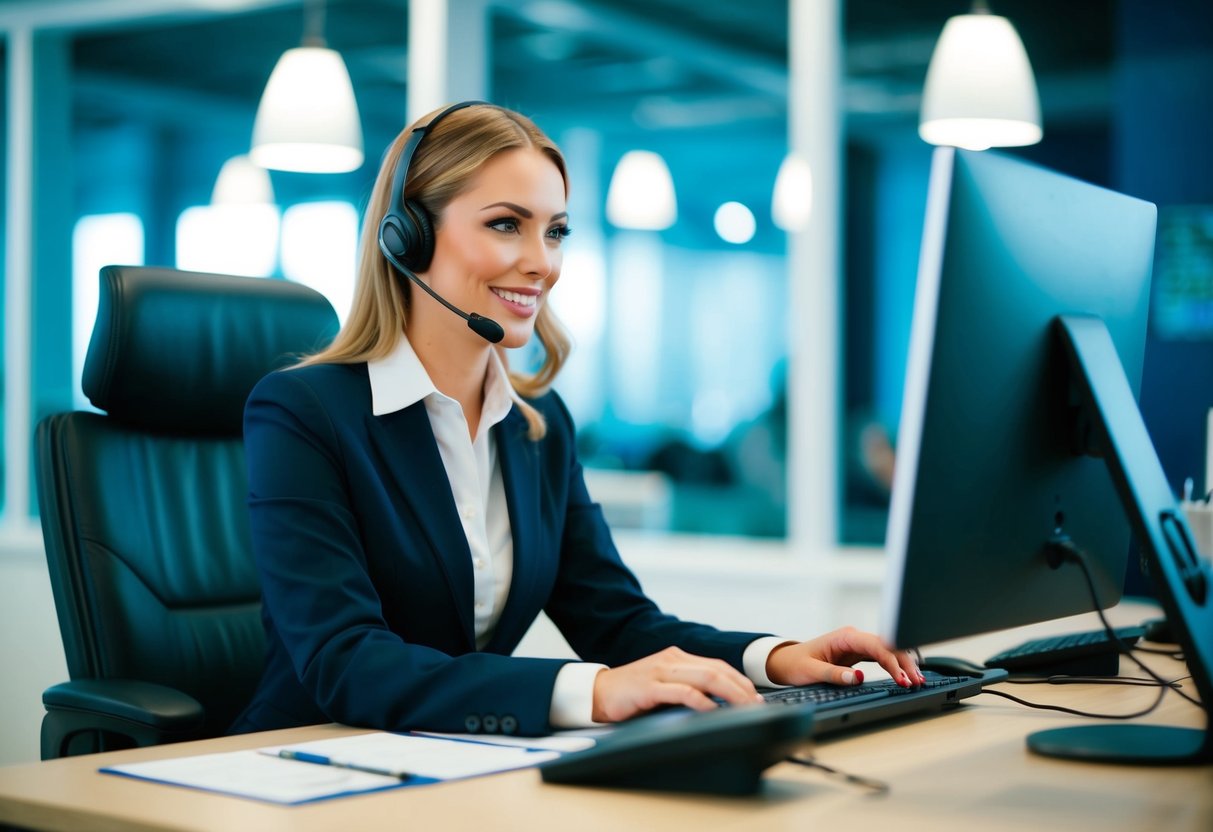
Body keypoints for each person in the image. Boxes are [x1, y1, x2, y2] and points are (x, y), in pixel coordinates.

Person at [229, 102, 922, 738]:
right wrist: (592, 693)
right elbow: (344, 660)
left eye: (554, 231)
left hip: (446, 764)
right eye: (506, 224)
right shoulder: (304, 413)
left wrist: (775, 656)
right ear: (407, 237)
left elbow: (617, 621)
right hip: (295, 761)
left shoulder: (536, 425)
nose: (542, 263)